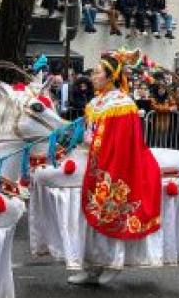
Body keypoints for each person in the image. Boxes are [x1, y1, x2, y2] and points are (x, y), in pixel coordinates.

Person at [68, 50, 162, 285]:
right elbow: (90, 130)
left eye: (97, 72)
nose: (92, 76)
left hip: (113, 164)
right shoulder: (96, 102)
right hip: (94, 159)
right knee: (87, 217)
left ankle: (113, 262)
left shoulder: (122, 103)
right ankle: (90, 266)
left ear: (110, 76)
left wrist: (96, 146)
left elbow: (121, 141)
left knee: (111, 208)